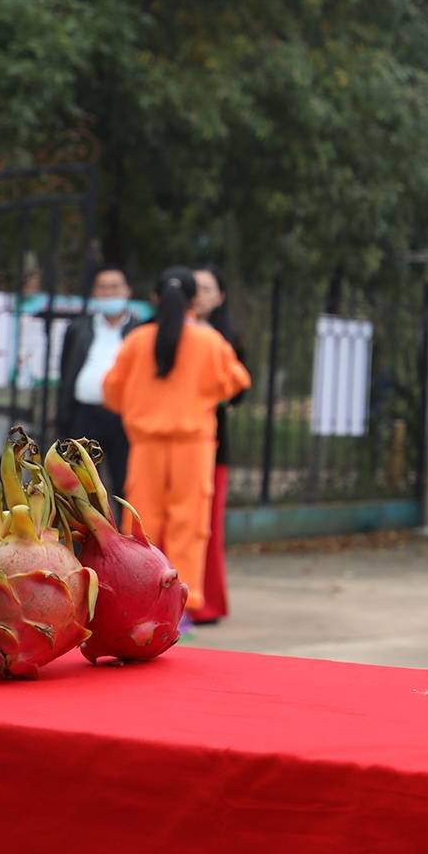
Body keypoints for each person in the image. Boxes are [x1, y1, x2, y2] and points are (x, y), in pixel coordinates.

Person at [102, 268, 251, 632]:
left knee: (142, 525)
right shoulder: (209, 341)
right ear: (193, 301)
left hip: (146, 445)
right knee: (189, 524)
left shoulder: (137, 341)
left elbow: (112, 392)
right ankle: (183, 606)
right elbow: (236, 381)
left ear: (154, 299)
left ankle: (137, 601)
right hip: (193, 446)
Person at [191, 265, 248, 625]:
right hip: (166, 444)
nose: (200, 294)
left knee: (206, 525)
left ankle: (206, 603)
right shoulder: (162, 335)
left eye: (208, 288)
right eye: (195, 288)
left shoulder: (224, 339)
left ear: (220, 296)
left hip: (211, 441)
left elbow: (240, 389)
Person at [56, 264, 143, 498]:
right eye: (103, 287)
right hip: (85, 414)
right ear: (95, 292)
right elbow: (66, 370)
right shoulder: (79, 328)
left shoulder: (140, 330)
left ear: (127, 291)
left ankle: (125, 533)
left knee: (124, 481)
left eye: (115, 287)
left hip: (123, 415)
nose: (109, 292)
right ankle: (84, 533)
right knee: (82, 483)